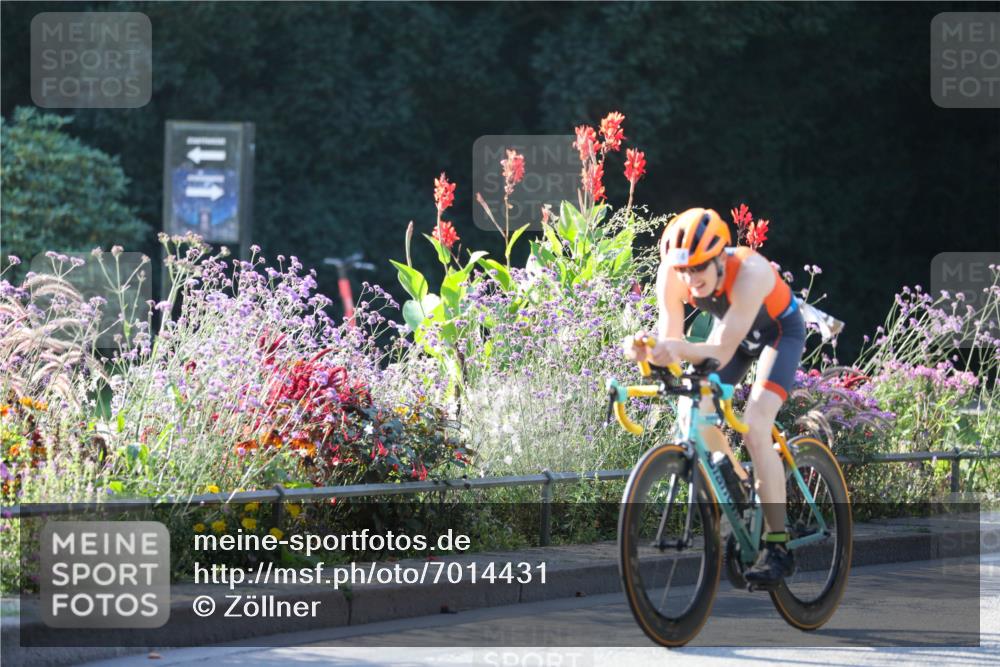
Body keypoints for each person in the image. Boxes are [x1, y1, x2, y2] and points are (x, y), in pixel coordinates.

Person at [623, 207, 806, 586]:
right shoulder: (672, 277)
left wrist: (669, 347)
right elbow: (671, 337)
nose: (690, 278)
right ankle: (737, 481)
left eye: (699, 268)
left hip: (776, 334)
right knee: (693, 402)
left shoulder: (750, 272)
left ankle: (778, 546)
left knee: (756, 428)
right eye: (683, 270)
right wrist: (650, 351)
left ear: (720, 257)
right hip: (731, 338)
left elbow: (718, 351)